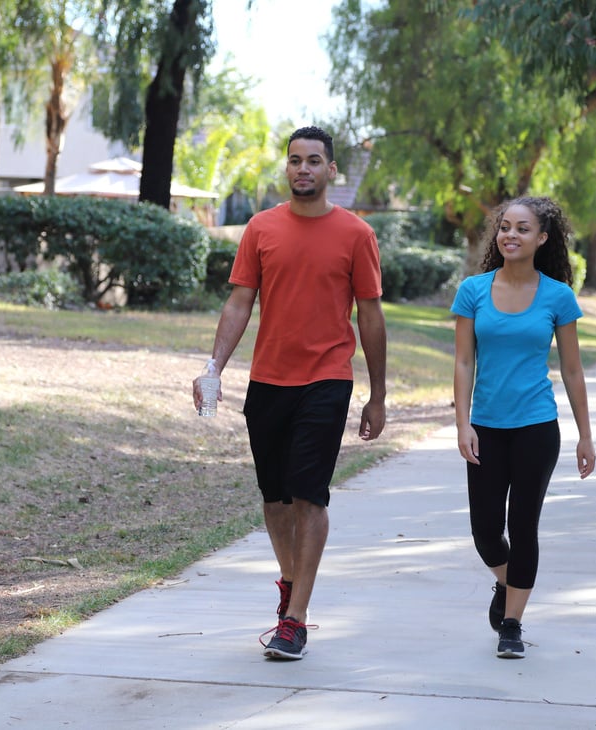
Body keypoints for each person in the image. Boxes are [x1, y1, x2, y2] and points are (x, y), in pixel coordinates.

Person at [192, 126, 387, 660]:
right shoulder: (261, 228)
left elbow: (370, 316)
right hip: (269, 381)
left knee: (309, 494)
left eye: (314, 161)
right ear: (289, 168)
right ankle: (288, 579)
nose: (303, 168)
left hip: (327, 379)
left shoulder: (356, 234)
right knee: (275, 499)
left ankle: (295, 619)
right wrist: (214, 367)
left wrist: (378, 393)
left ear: (331, 171)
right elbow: (238, 304)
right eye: (295, 160)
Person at [451, 196, 596, 659]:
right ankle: (508, 583)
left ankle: (511, 624)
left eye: (523, 229)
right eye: (505, 227)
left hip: (536, 427)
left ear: (542, 238)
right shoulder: (473, 290)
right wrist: (462, 423)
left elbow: (572, 371)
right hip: (486, 427)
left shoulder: (558, 296)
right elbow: (462, 360)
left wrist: (585, 435)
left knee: (524, 525)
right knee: (485, 530)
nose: (510, 235)